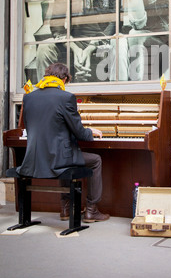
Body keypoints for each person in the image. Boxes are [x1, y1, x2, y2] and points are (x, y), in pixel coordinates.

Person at [17, 63, 109, 223]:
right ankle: (91, 210)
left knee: (64, 155)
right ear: (65, 79)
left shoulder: (29, 97)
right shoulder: (66, 97)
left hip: (34, 159)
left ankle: (66, 208)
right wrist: (90, 131)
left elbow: (30, 127)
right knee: (95, 161)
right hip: (58, 158)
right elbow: (79, 132)